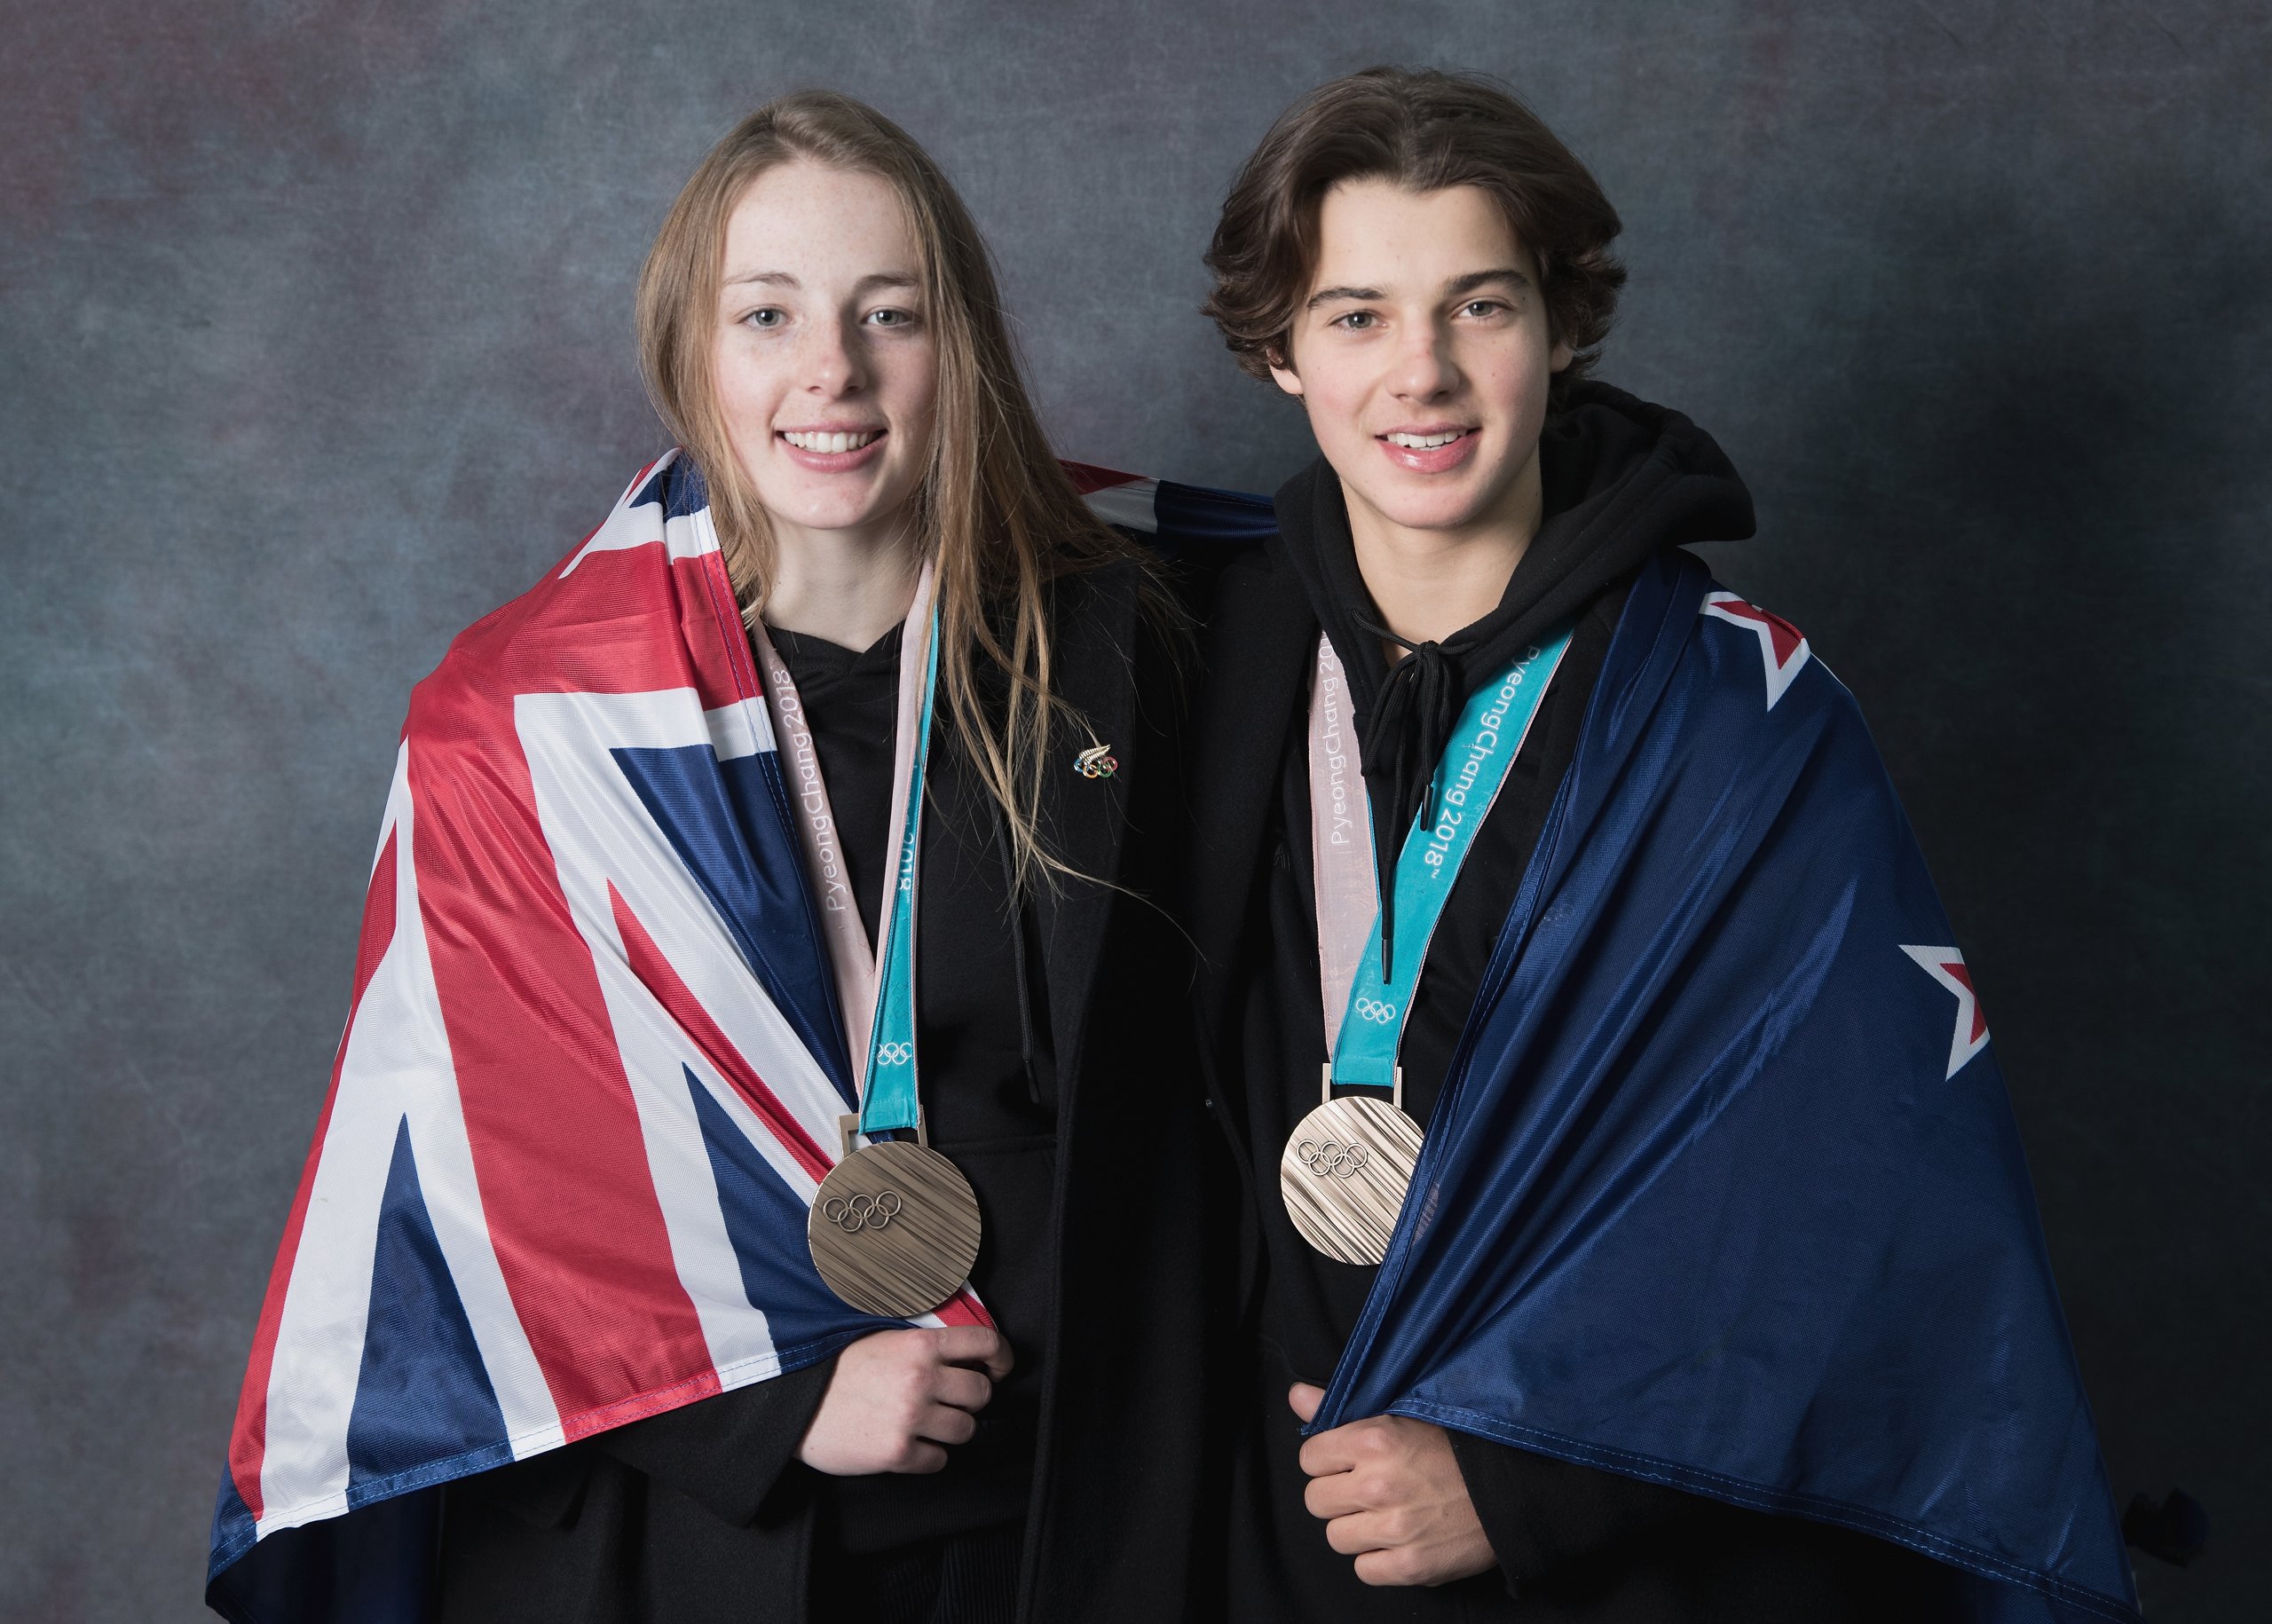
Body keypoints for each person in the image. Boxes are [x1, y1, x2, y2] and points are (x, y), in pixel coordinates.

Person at [206, 91, 1212, 1624]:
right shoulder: (524, 718)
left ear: (967, 348)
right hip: (702, 1536)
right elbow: (462, 1193)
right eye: (768, 314)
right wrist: (758, 1410)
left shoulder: (1136, 641)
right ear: (693, 350)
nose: (835, 370)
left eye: (894, 311)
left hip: (1070, 1507)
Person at [1183, 67, 2142, 1622]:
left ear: (1560, 325)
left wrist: (1528, 1478)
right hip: (1259, 1532)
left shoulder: (1735, 708)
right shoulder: (1204, 666)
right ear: (1279, 350)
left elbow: (1855, 1199)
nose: (1419, 374)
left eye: (1477, 306)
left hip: (1605, 1549)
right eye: (1357, 314)